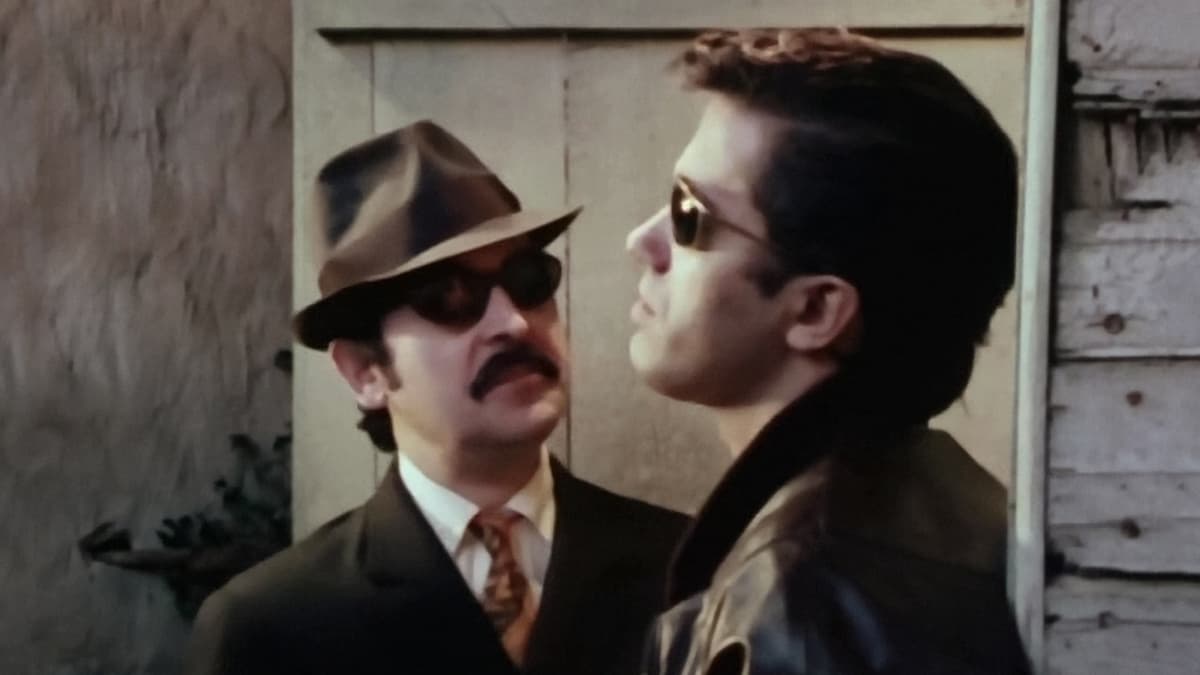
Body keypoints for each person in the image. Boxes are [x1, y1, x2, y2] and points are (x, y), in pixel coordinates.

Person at [185, 120, 688, 675]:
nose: (514, 322)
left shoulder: (688, 568)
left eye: (528, 280)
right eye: (449, 296)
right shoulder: (270, 628)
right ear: (365, 372)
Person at [626, 29, 1030, 674]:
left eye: (688, 214)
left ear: (816, 310)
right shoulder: (946, 509)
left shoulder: (804, 606)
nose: (641, 241)